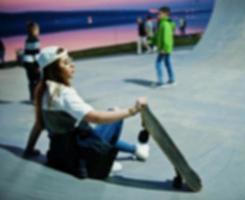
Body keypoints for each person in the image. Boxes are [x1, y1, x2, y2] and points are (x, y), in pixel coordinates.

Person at [23, 46, 150, 177]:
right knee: (115, 113)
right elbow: (96, 118)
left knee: (93, 128)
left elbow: (39, 125)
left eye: (70, 60)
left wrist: (29, 149)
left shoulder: (44, 91)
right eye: (66, 63)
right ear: (54, 70)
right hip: (80, 154)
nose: (72, 66)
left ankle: (136, 150)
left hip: (59, 154)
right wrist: (132, 110)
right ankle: (103, 161)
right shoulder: (64, 93)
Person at [153, 7, 176, 87]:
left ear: (165, 14)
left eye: (159, 14)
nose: (157, 15)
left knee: (158, 63)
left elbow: (166, 37)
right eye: (157, 14)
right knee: (167, 63)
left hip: (164, 48)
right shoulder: (162, 23)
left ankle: (160, 81)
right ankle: (172, 79)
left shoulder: (165, 24)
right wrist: (152, 42)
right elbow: (158, 36)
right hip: (165, 48)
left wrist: (164, 48)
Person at [23, 21, 41, 102]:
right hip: (32, 63)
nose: (38, 30)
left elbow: (28, 52)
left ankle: (32, 97)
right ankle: (36, 98)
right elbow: (35, 53)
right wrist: (37, 65)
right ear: (34, 29)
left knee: (31, 81)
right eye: (37, 28)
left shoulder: (28, 39)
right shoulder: (34, 39)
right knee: (37, 80)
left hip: (27, 62)